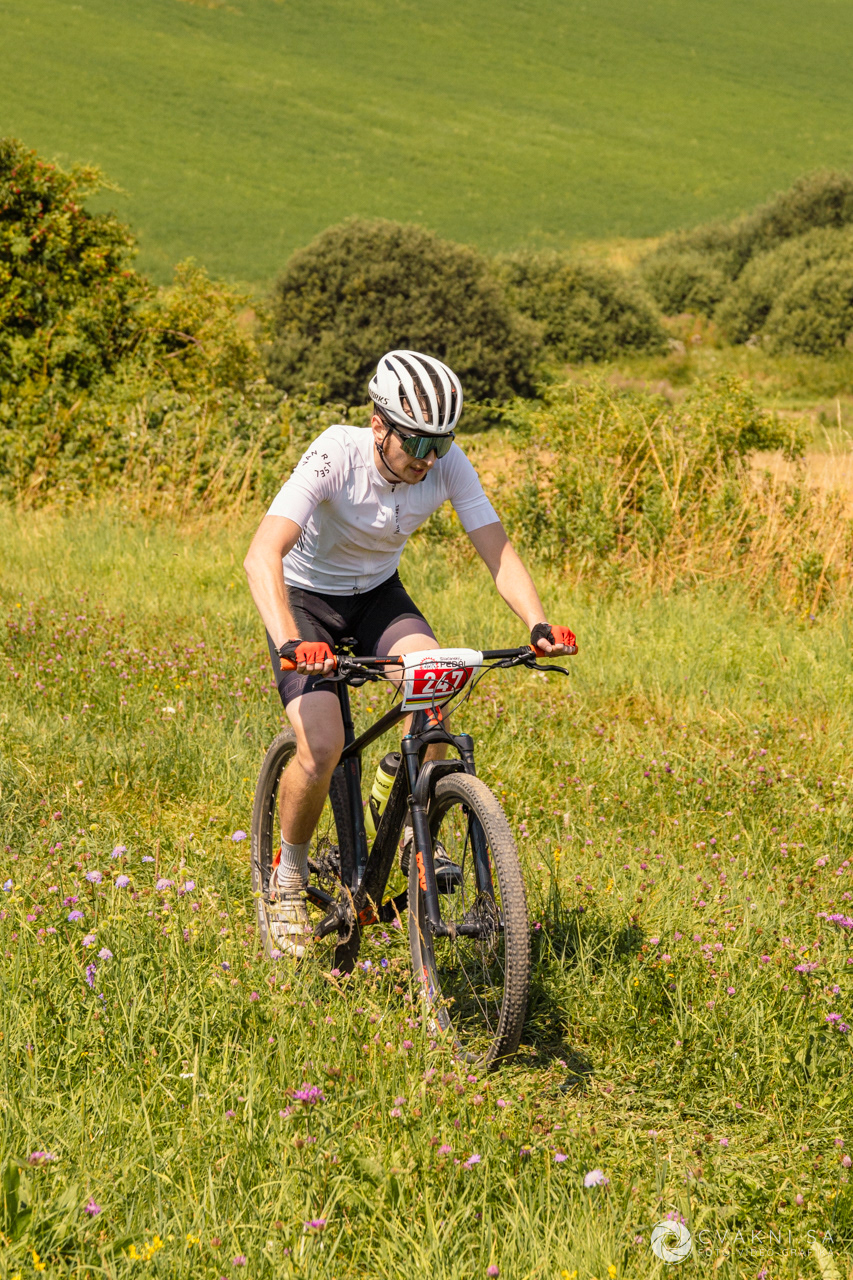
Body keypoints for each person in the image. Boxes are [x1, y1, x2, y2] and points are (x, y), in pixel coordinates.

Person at [243, 349, 576, 956]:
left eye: (440, 444)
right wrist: (292, 639)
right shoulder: (335, 453)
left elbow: (498, 552)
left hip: (377, 597)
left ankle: (403, 800)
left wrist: (537, 623)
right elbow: (262, 554)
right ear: (379, 425)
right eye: (417, 443)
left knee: (435, 682)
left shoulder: (447, 465)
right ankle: (286, 877)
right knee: (322, 746)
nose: (428, 459)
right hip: (306, 600)